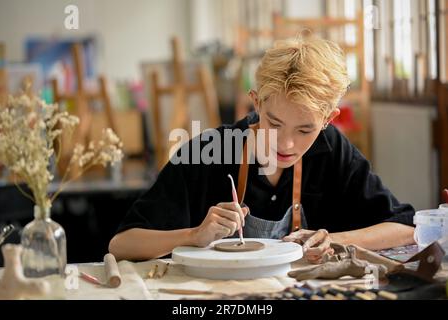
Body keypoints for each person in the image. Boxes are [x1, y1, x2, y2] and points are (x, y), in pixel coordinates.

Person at [109, 35, 415, 264]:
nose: (286, 143)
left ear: (328, 119)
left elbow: (405, 227)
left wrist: (333, 239)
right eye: (274, 122)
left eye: (305, 129)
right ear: (256, 102)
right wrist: (192, 235)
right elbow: (121, 244)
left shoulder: (331, 148)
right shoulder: (208, 151)